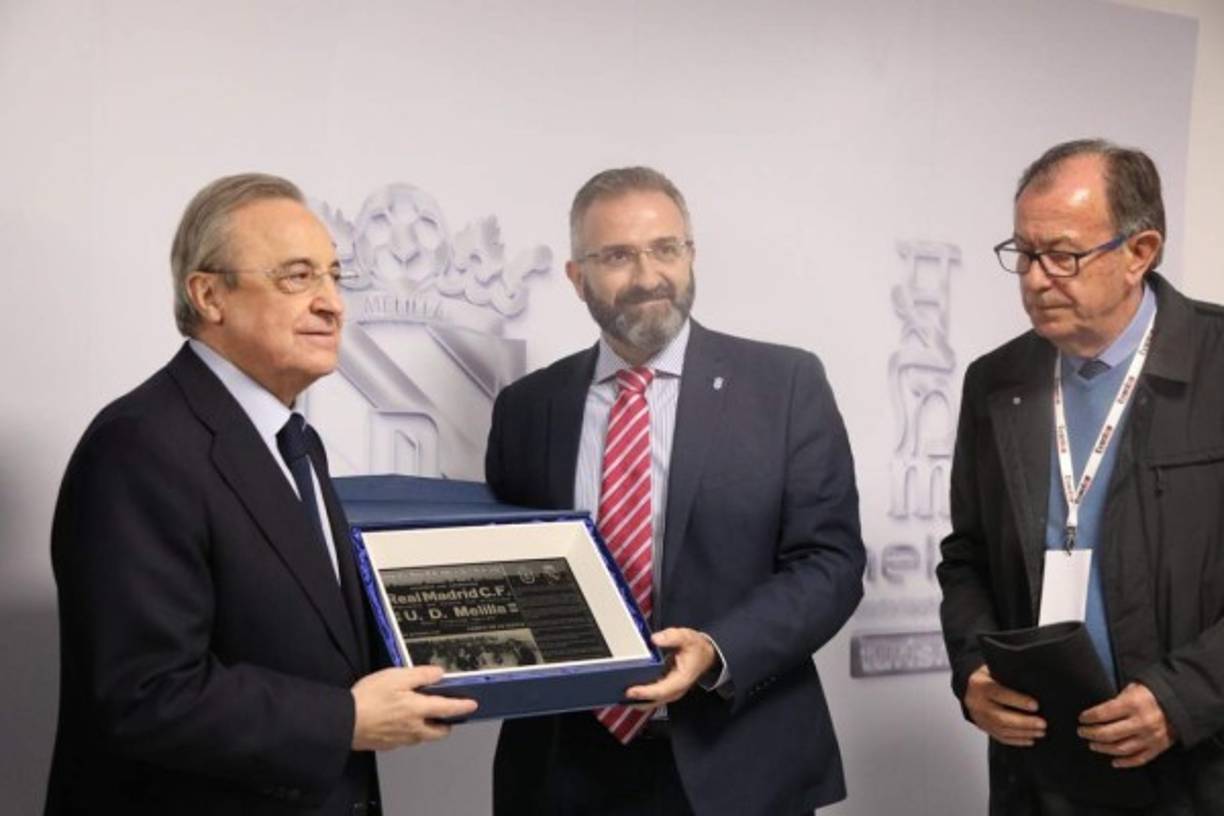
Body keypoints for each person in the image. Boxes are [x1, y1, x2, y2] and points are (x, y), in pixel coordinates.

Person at [46, 173, 476, 815]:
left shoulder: (294, 440)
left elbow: (316, 639)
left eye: (335, 276)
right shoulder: (138, 446)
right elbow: (147, 695)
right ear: (210, 294)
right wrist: (344, 721)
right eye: (298, 277)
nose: (334, 304)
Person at [485, 166, 864, 815]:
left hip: (737, 756)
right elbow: (505, 567)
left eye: (666, 248)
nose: (647, 275)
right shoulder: (528, 406)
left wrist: (718, 649)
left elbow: (830, 565)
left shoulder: (784, 385)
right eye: (617, 256)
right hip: (564, 767)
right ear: (578, 278)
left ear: (691, 256)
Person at [938, 139, 1224, 814]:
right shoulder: (995, 381)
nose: (1036, 279)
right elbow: (967, 557)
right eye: (1023, 254)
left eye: (1062, 255)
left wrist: (1183, 696)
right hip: (1041, 768)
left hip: (1198, 763)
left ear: (1140, 251)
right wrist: (972, 669)